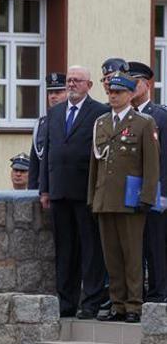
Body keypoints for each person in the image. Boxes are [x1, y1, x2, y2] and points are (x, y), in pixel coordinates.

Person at [39, 65, 111, 319]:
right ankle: (66, 301)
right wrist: (44, 188)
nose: (71, 84)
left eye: (77, 81)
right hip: (59, 192)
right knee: (65, 249)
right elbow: (48, 151)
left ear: (88, 86)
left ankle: (91, 301)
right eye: (69, 80)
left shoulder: (100, 112)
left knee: (90, 249)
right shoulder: (55, 113)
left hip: (86, 192)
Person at [88, 72, 159, 323]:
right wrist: (92, 198)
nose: (113, 96)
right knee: (112, 256)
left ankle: (133, 305)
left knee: (132, 254)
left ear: (130, 94)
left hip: (131, 200)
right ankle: (117, 304)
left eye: (118, 92)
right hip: (106, 198)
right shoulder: (102, 122)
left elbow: (151, 164)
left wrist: (147, 197)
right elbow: (95, 166)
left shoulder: (143, 122)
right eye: (110, 92)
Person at [128, 61, 167, 303]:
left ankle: (158, 294)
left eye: (136, 82)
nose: (132, 86)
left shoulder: (159, 116)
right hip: (131, 192)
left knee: (155, 246)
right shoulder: (125, 116)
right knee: (134, 248)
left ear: (147, 84)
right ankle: (136, 296)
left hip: (156, 191)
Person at [29, 73, 67, 189]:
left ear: (67, 93)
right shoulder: (41, 124)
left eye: (58, 92)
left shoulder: (73, 122)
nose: (53, 96)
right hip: (44, 188)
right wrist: (31, 191)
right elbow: (35, 163)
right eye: (50, 93)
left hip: (65, 187)